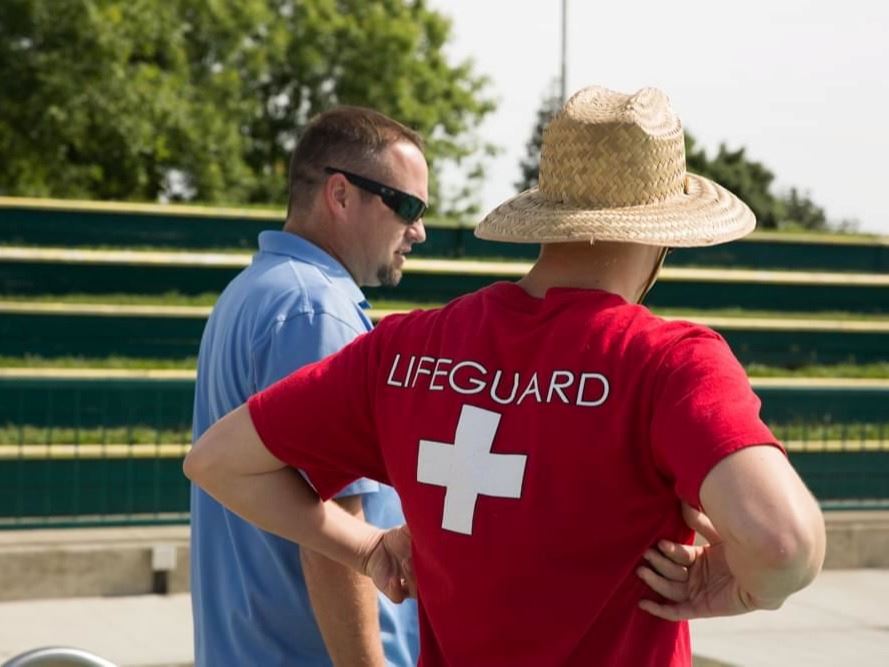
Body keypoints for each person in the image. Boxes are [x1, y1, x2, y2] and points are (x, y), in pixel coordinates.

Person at [184, 86, 826, 666]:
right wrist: (740, 585)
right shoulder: (669, 363)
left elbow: (215, 462)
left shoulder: (405, 347)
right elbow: (782, 545)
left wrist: (369, 550)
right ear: (663, 238)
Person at [188, 105, 428, 666]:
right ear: (340, 195)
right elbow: (334, 535)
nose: (418, 230)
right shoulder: (315, 310)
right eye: (408, 206)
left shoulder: (255, 290)